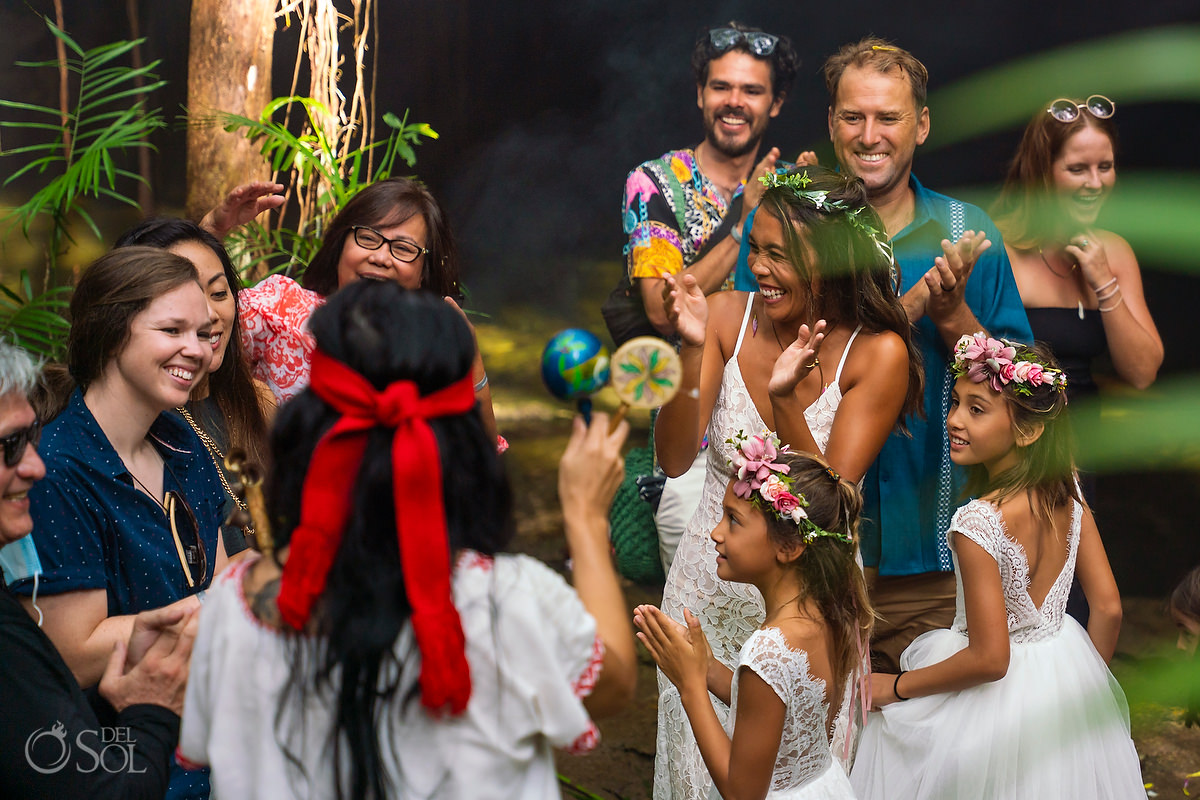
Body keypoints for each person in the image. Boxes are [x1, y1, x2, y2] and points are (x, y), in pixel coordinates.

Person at [177, 282, 637, 799]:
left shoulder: (234, 604)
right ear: (460, 443)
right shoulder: (510, 603)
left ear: (308, 426)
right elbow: (616, 679)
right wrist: (585, 518)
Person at [733, 38, 1033, 672]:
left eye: (888, 117)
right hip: (806, 551)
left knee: (926, 755)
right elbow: (748, 358)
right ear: (832, 123)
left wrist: (956, 319)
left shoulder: (965, 233)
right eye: (852, 117)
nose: (870, 135)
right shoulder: (783, 224)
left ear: (920, 125)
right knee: (820, 754)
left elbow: (1027, 392)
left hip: (936, 556)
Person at [652, 166, 921, 799]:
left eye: (781, 255)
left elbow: (826, 513)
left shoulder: (876, 353)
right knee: (696, 776)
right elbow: (671, 460)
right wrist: (691, 352)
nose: (761, 269)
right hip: (708, 585)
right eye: (756, 249)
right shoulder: (725, 316)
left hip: (806, 607)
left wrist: (785, 405)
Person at [850, 334, 1146, 800]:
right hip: (1061, 672)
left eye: (977, 409)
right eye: (956, 403)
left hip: (989, 700)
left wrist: (898, 687)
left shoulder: (978, 522)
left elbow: (990, 658)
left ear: (1027, 431)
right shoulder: (1068, 494)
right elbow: (1108, 608)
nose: (953, 420)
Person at [8, 247, 225, 799]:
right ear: (112, 331)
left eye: (204, 333)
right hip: (113, 766)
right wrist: (229, 607)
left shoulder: (183, 443)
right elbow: (74, 652)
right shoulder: (55, 468)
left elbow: (219, 578)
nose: (194, 349)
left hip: (213, 743)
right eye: (172, 329)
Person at [636, 442, 870, 800]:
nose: (716, 533)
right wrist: (708, 669)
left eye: (734, 520)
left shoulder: (767, 650)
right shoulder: (826, 614)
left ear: (789, 547)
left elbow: (742, 792)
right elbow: (789, 715)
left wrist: (690, 687)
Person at [233, 177, 502, 445]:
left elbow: (477, 465)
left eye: (403, 248)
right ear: (342, 243)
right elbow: (199, 335)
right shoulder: (280, 305)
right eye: (368, 237)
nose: (381, 257)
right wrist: (212, 231)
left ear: (424, 272)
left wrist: (472, 364)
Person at [617, 22, 801, 342]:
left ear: (776, 103)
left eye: (752, 91)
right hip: (686, 387)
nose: (734, 101)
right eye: (721, 87)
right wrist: (743, 223)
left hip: (769, 385)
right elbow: (662, 313)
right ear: (701, 94)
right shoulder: (654, 183)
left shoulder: (790, 183)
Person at [115, 217, 273, 556]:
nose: (207, 315)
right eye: (179, 302)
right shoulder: (132, 429)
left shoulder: (256, 401)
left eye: (218, 293)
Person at [992, 94, 1162, 406]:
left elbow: (1142, 373)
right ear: (1043, 171)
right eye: (1078, 169)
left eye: (1105, 167)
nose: (1096, 183)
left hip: (1089, 442)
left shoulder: (1114, 252)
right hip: (1019, 441)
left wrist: (1104, 282)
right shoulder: (1000, 248)